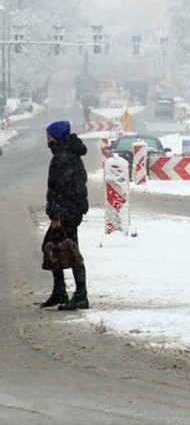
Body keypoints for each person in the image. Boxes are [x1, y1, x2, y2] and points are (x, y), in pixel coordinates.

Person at [41, 120, 90, 310]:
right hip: (72, 209)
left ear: (55, 137)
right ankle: (60, 291)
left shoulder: (63, 158)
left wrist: (56, 215)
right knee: (55, 247)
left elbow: (60, 189)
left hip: (67, 211)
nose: (47, 139)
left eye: (48, 136)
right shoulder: (68, 154)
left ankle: (80, 295)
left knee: (69, 250)